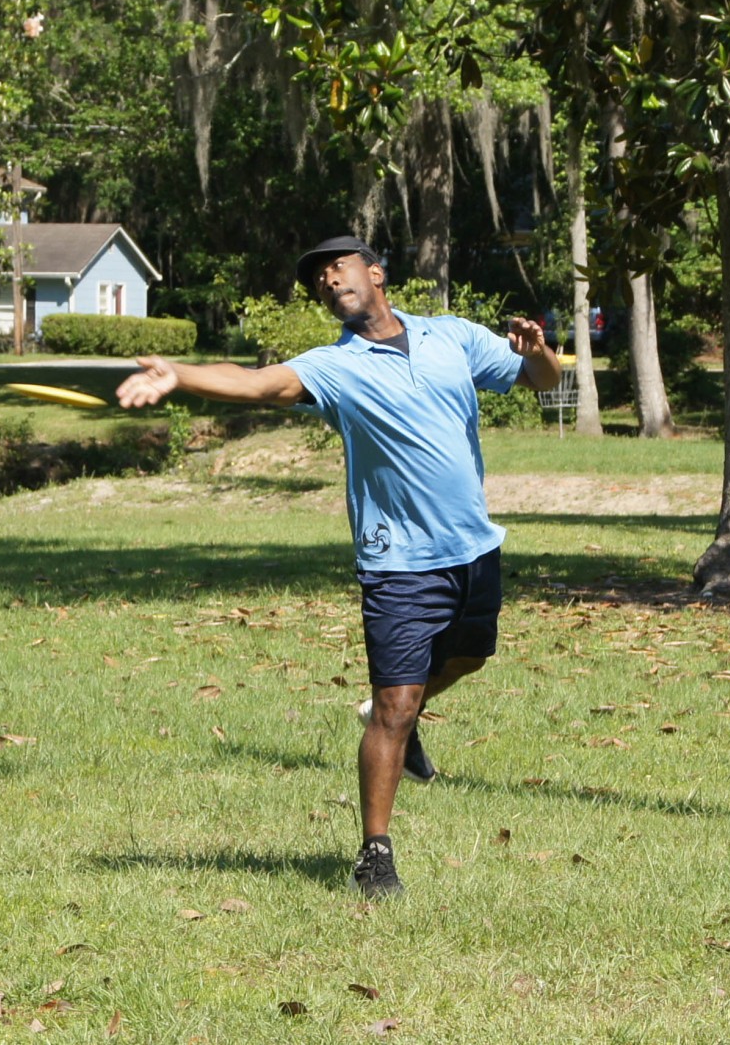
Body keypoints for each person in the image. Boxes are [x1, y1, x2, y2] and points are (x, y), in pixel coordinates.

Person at [116, 235, 562, 898]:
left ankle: (402, 719)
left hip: (473, 546)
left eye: (337, 267)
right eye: (318, 280)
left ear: (375, 273)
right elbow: (260, 384)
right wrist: (181, 374)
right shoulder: (335, 366)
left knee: (472, 655)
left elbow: (540, 381)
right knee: (394, 706)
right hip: (398, 562)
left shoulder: (452, 336)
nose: (328, 280)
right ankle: (375, 853)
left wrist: (539, 351)